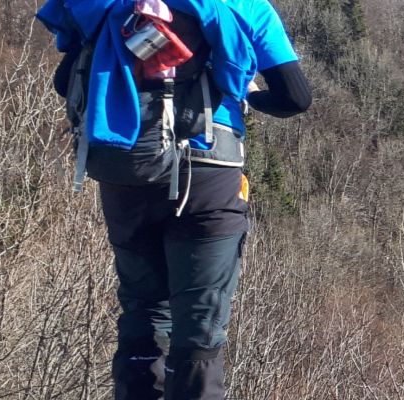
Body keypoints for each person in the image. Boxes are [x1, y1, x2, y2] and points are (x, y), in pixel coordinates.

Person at [36, 0, 311, 398]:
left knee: (143, 316)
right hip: (207, 177)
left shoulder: (99, 4)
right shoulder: (241, 6)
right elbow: (295, 97)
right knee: (199, 330)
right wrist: (248, 96)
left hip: (125, 173)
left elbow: (66, 83)